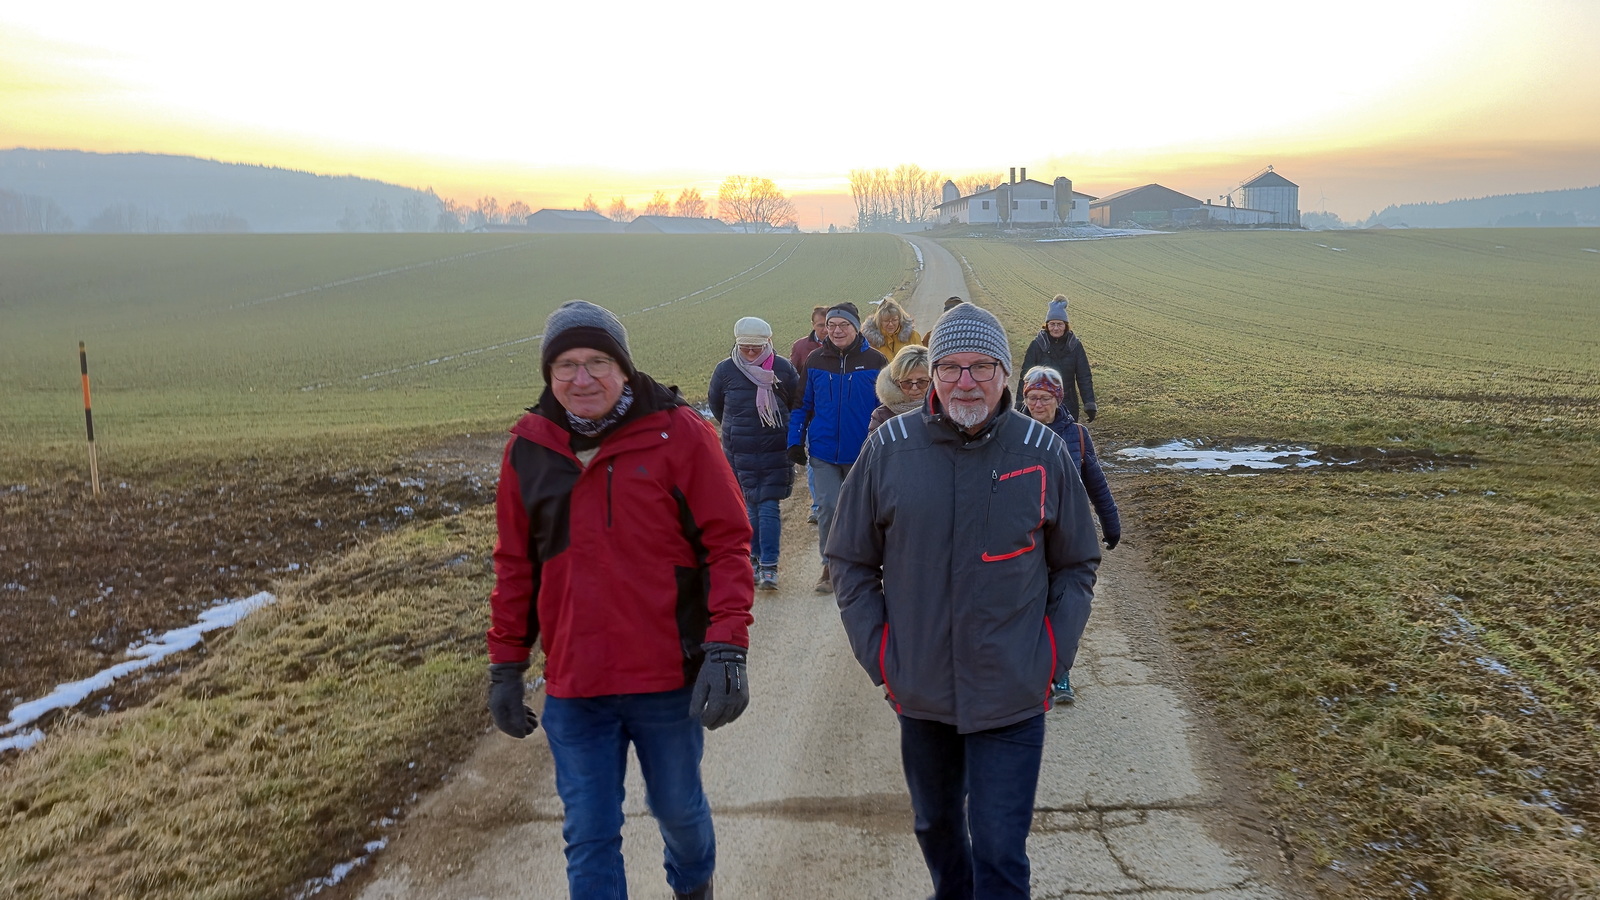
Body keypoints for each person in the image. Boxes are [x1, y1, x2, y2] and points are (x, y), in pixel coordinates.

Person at [829, 302, 1101, 900]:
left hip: (1013, 691)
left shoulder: (1043, 451)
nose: (966, 381)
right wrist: (883, 656)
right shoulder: (889, 448)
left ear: (1006, 374)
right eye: (950, 367)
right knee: (937, 827)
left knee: (1000, 850)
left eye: (982, 367)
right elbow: (849, 559)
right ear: (932, 375)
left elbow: (1077, 562)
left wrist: (1050, 656)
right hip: (922, 689)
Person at [486, 300, 755, 900]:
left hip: (667, 680)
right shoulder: (529, 448)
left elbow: (727, 543)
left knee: (679, 812)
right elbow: (515, 566)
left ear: (624, 368)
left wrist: (727, 646)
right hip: (577, 685)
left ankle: (694, 888)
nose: (582, 379)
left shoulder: (679, 433)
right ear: (549, 374)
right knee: (589, 832)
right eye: (566, 365)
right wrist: (505, 664)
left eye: (598, 362)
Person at [1020, 365, 1121, 706]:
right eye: (1032, 397)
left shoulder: (1076, 435)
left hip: (1067, 532)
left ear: (1058, 399)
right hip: (1025, 533)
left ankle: (1059, 671)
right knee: (1028, 600)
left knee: (1066, 604)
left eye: (1044, 398)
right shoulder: (1011, 431)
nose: (1037, 404)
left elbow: (1096, 482)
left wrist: (1111, 524)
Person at [787, 302, 887, 594]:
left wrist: (886, 444)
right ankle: (830, 566)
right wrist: (794, 441)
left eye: (843, 325)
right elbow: (801, 404)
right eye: (831, 325)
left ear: (856, 327)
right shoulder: (815, 360)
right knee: (828, 508)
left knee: (863, 513)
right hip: (823, 452)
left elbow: (886, 407)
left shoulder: (876, 361)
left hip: (863, 453)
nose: (837, 330)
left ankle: (863, 565)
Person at [708, 316, 802, 591]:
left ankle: (768, 566)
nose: (750, 352)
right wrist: (737, 428)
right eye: (745, 347)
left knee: (768, 505)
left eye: (756, 347)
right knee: (750, 507)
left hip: (775, 446)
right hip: (741, 450)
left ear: (768, 342)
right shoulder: (725, 370)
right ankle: (757, 561)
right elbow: (717, 406)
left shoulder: (782, 368)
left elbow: (796, 402)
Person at [1015, 294, 1096, 423]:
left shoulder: (1075, 346)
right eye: (1052, 324)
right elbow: (1025, 376)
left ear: (1066, 326)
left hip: (1068, 404)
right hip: (1041, 404)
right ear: (1047, 325)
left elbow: (1084, 376)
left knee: (1066, 433)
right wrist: (1020, 402)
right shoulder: (1037, 345)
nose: (1056, 328)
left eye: (1060, 324)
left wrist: (1089, 403)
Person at [789, 305, 829, 524]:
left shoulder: (842, 346)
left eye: (827, 324)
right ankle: (817, 506)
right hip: (812, 415)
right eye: (820, 325)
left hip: (835, 414)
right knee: (815, 461)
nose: (825, 329)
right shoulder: (801, 347)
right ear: (813, 325)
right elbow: (793, 379)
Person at [869, 344, 931, 433]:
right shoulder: (882, 415)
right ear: (897, 383)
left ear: (932, 380)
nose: (914, 388)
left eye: (922, 382)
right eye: (907, 383)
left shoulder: (944, 409)